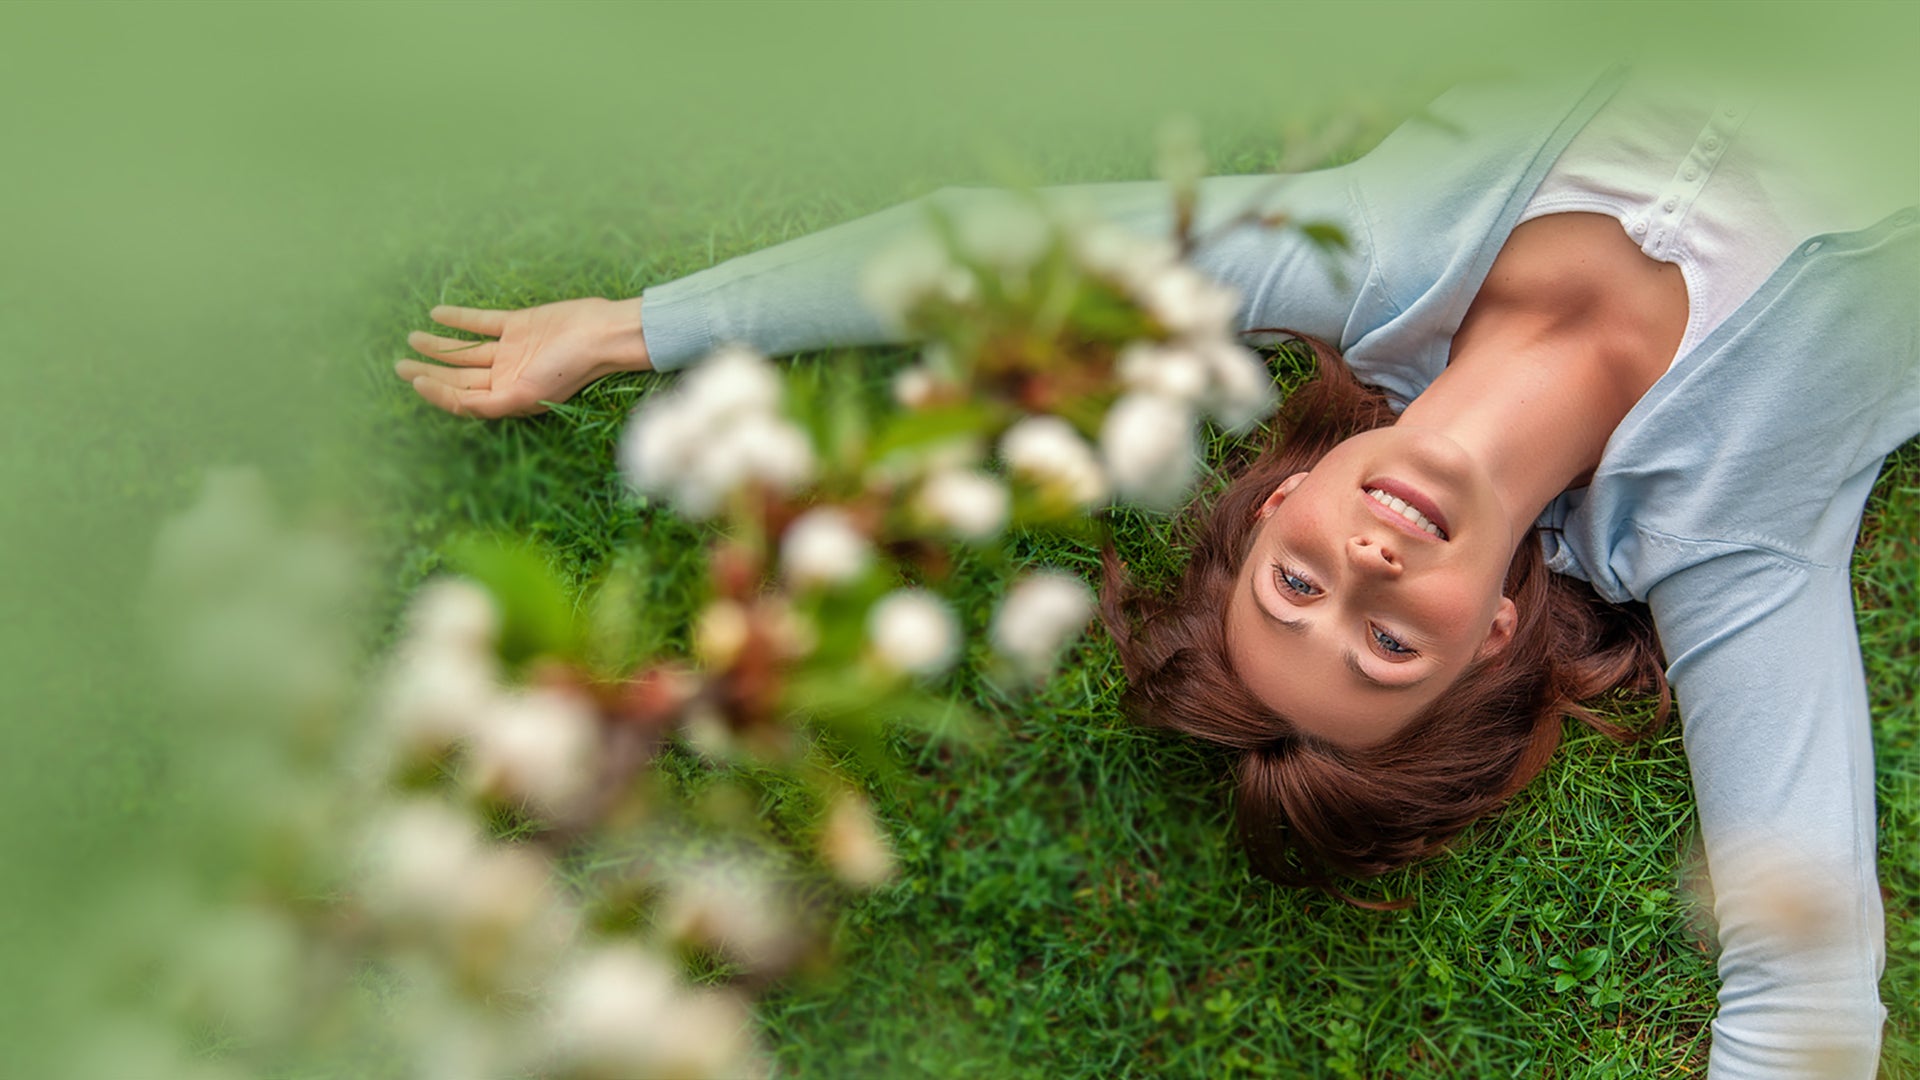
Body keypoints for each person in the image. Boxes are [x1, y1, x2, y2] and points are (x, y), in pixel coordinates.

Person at [395, 66, 1917, 1077]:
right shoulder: (1733, 537)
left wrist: (634, 329)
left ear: (1282, 502)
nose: (1368, 568)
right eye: (1391, 645)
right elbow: (1803, 1000)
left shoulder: (1365, 257)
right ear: (1494, 632)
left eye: (1300, 589)